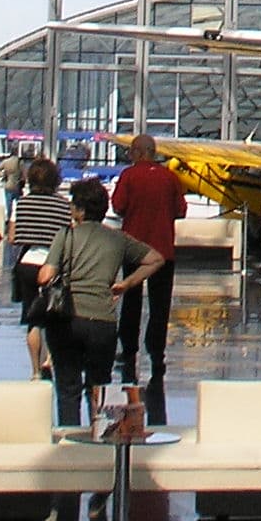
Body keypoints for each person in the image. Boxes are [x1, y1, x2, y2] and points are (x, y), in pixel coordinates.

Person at [35, 179, 165, 429]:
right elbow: (155, 259)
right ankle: (99, 434)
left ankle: (70, 439)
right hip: (103, 322)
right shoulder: (118, 239)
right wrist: (126, 283)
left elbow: (45, 276)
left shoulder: (66, 235)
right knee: (99, 387)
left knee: (67, 388)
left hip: (67, 319)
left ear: (80, 210)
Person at [111, 135, 185, 402]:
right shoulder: (170, 178)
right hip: (163, 250)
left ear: (138, 152)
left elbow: (118, 206)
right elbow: (180, 210)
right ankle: (156, 353)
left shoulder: (129, 176)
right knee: (160, 305)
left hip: (134, 248)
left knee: (130, 300)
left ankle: (129, 350)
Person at [7, 156, 76, 379]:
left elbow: (12, 237)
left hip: (27, 263)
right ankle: (50, 361)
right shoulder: (64, 205)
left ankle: (35, 370)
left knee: (32, 319)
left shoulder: (21, 203)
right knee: (55, 315)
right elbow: (69, 236)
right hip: (54, 265)